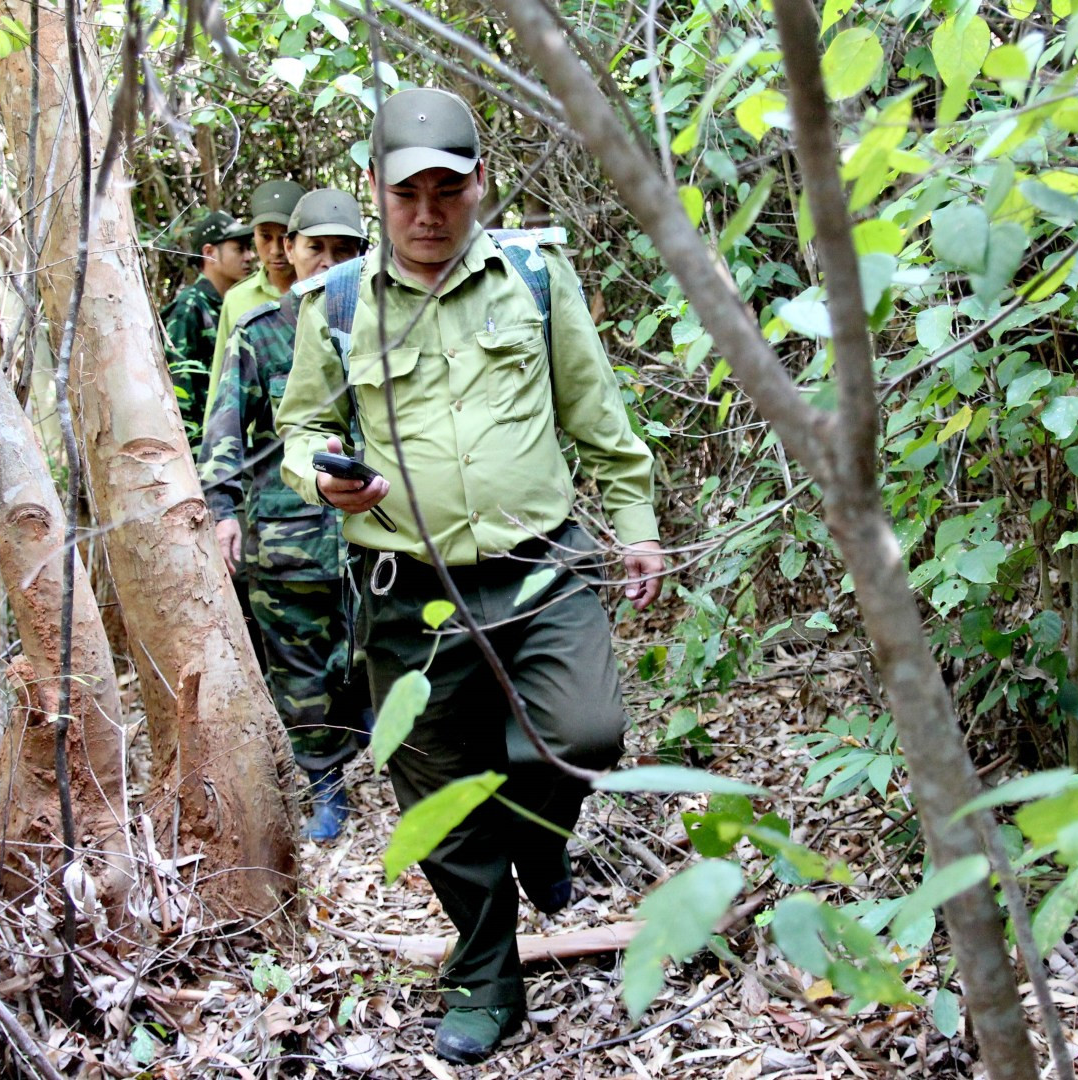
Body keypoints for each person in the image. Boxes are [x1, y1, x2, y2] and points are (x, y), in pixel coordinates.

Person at [275, 87, 665, 1064]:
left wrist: (635, 525)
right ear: (374, 190)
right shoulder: (337, 303)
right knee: (440, 794)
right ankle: (486, 976)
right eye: (406, 193)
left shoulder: (532, 277)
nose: (427, 213)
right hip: (406, 590)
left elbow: (595, 414)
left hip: (540, 569)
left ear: (479, 183)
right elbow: (301, 427)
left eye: (447, 190)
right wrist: (323, 476)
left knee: (583, 733)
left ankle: (538, 834)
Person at [199, 189, 372, 842]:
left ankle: (375, 747)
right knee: (299, 676)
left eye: (343, 251)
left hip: (373, 537)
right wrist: (222, 511)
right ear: (290, 252)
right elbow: (224, 431)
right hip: (286, 539)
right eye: (315, 248)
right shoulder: (259, 332)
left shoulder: (384, 324)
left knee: (366, 657)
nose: (327, 263)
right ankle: (325, 784)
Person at [204, 179, 307, 433]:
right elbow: (221, 384)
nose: (276, 250)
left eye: (284, 237)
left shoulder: (320, 292)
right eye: (265, 237)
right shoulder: (238, 299)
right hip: (259, 445)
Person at [161, 208, 252, 444]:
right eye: (239, 249)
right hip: (202, 443)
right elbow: (179, 388)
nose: (249, 256)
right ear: (209, 253)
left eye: (249, 248)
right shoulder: (190, 307)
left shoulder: (233, 305)